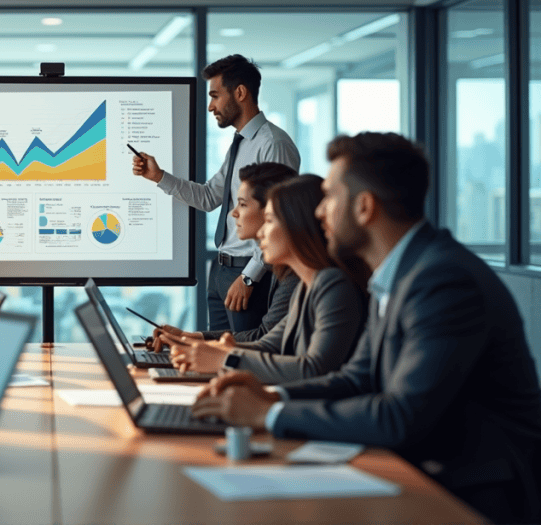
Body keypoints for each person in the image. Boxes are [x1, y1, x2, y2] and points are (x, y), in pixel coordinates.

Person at [191, 132, 541, 524]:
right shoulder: (396, 274)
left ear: (363, 207)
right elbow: (356, 378)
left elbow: (400, 416)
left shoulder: (442, 280)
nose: (319, 212)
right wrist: (273, 398)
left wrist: (267, 416)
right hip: (419, 468)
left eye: (329, 198)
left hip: (473, 492)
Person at [133, 54, 300, 334]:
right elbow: (210, 197)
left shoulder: (273, 144)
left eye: (215, 96)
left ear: (240, 93)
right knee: (215, 356)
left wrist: (250, 278)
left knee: (242, 357)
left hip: (249, 273)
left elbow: (278, 217)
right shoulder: (239, 144)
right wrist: (159, 176)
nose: (211, 106)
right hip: (221, 269)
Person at [164, 174, 368, 384]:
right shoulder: (307, 287)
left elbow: (314, 368)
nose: (261, 232)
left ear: (297, 226)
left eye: (269, 221)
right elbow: (268, 345)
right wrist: (207, 348)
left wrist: (225, 358)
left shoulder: (333, 284)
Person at [152, 162, 299, 351]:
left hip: (241, 273)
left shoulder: (297, 276)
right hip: (222, 267)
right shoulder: (285, 269)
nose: (233, 212)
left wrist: (248, 277)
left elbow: (265, 340)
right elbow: (265, 335)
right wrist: (189, 337)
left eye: (243, 204)